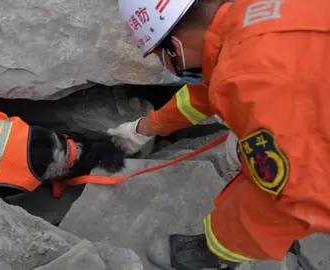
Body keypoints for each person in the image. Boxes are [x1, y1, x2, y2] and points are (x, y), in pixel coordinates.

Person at [109, 0, 330, 269]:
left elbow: (290, 203)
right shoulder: (250, 18)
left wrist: (218, 242)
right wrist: (146, 127)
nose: (164, 65)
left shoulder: (251, 83)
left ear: (174, 46)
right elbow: (210, 88)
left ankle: (214, 254)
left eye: (159, 56)